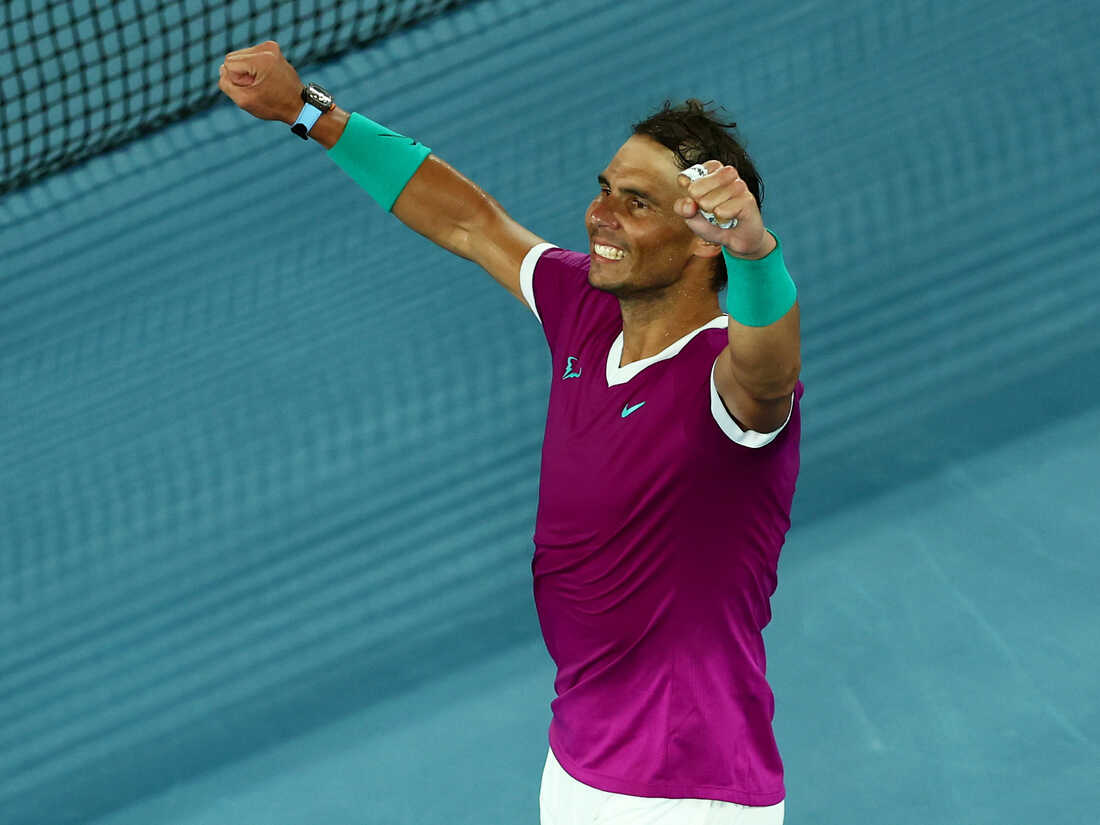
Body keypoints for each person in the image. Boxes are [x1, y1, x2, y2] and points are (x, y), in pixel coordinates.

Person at [219, 40, 801, 825]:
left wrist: (756, 254)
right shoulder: (586, 308)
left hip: (683, 786)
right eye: (605, 189)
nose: (600, 215)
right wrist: (306, 111)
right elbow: (471, 222)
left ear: (706, 239)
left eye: (637, 203)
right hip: (582, 756)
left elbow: (768, 373)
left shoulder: (721, 381)